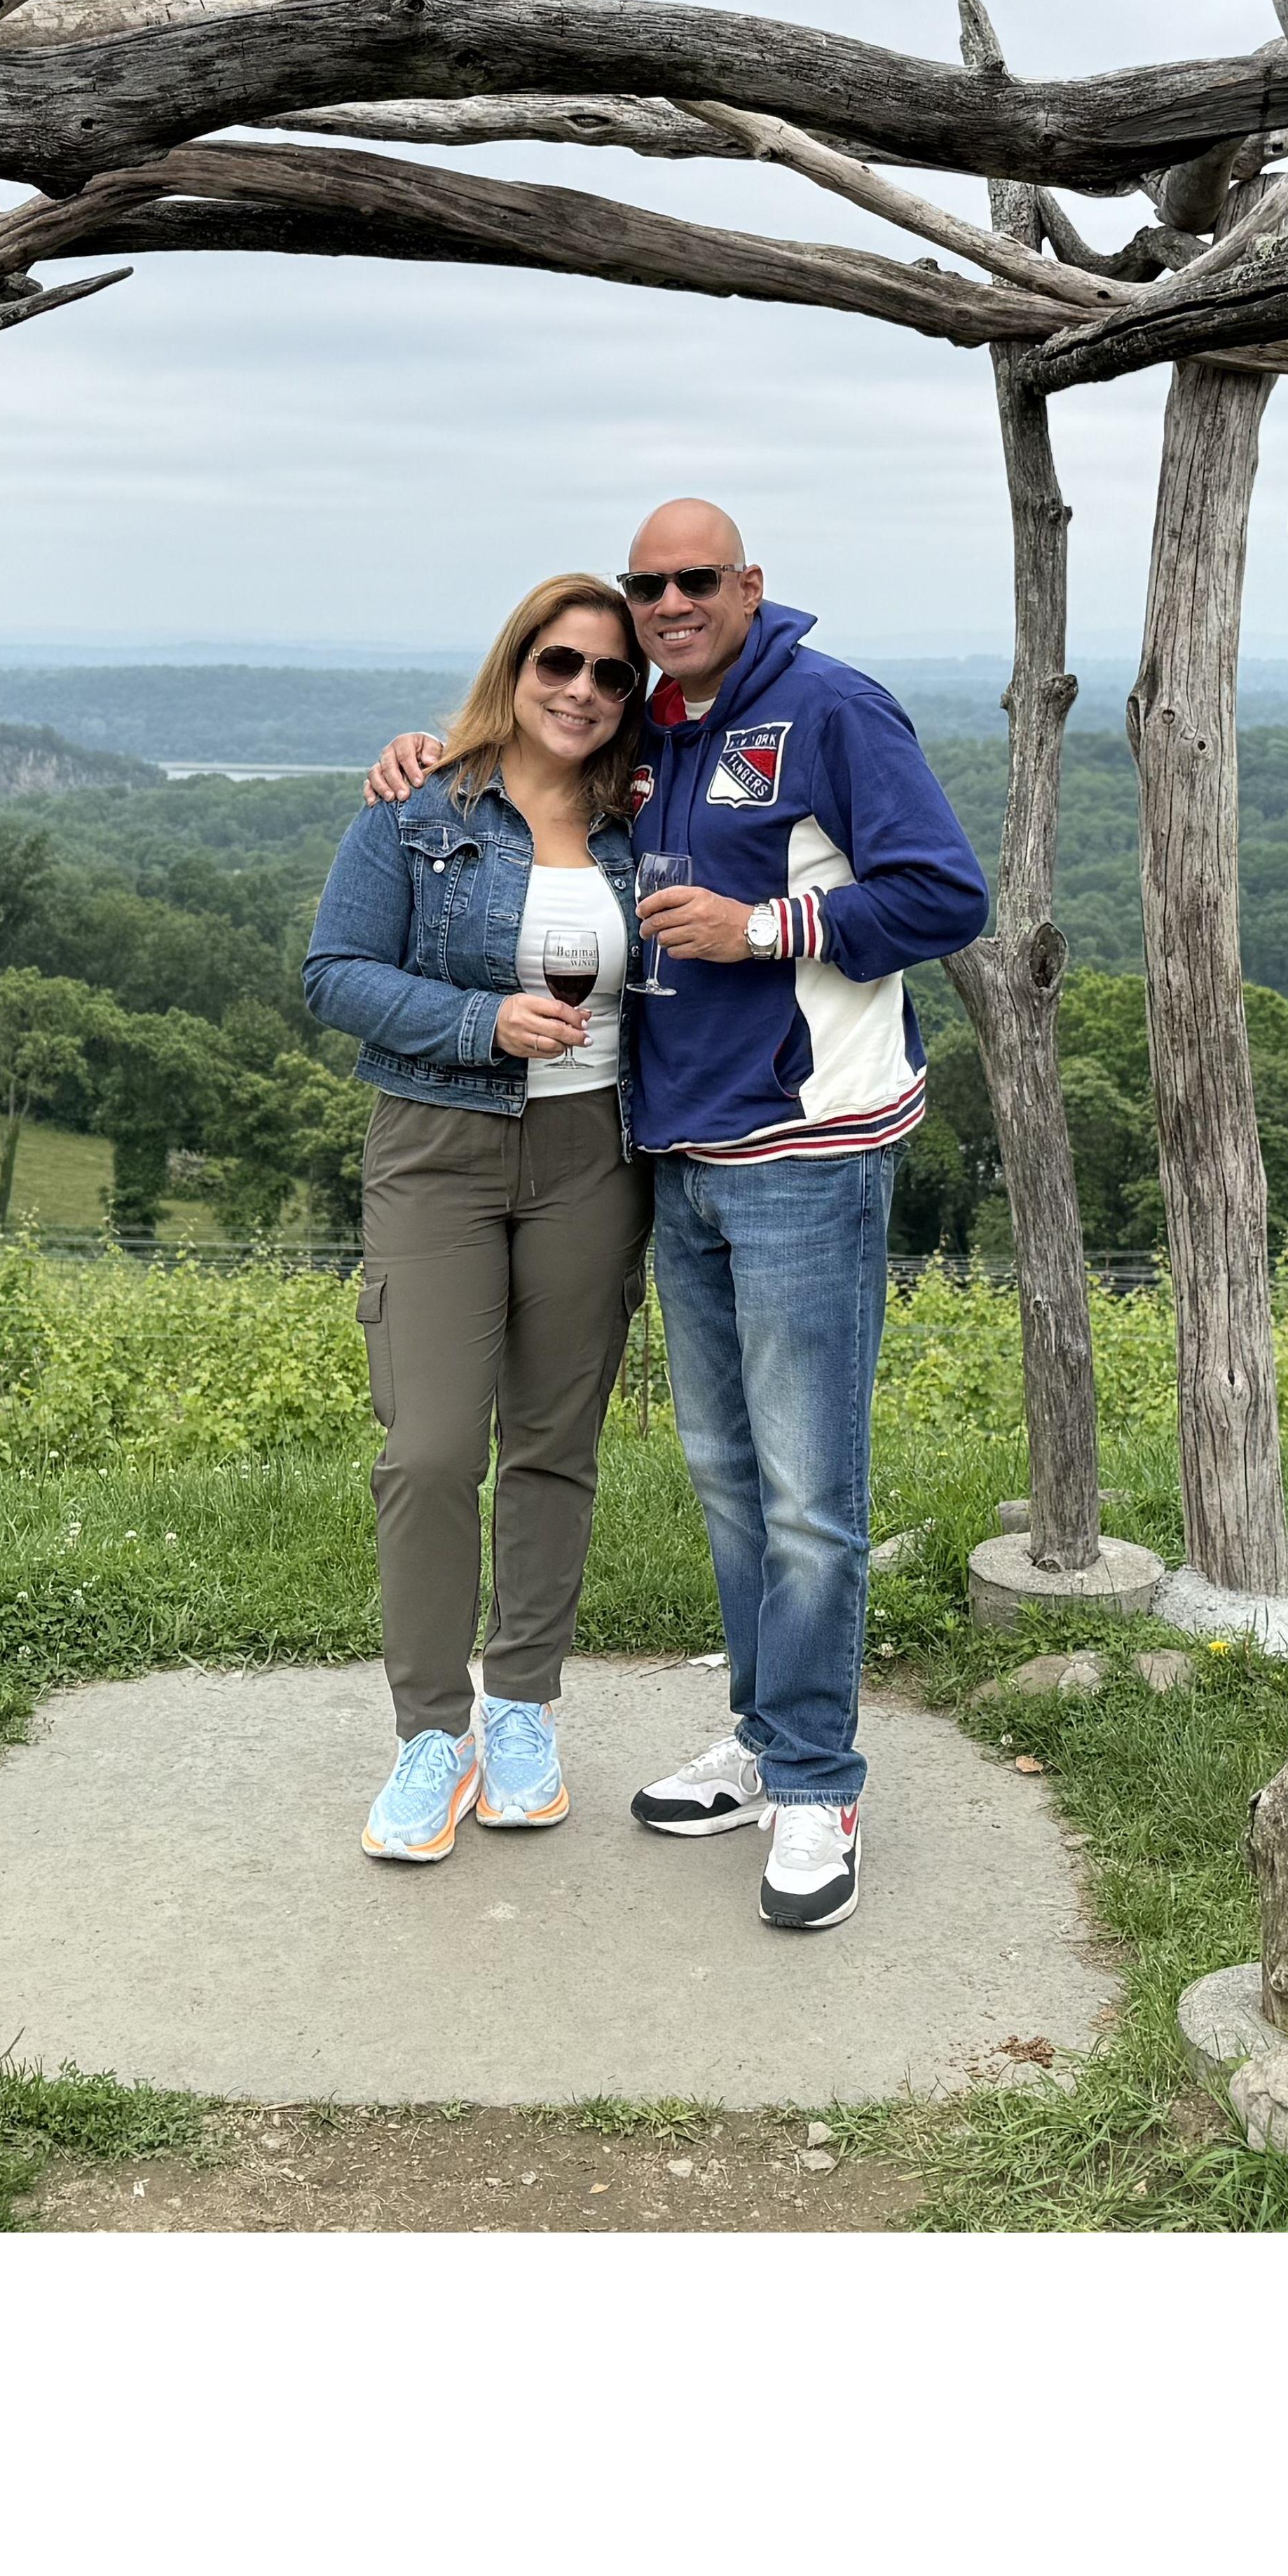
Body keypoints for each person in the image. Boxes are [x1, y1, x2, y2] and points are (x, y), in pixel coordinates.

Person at [366, 500, 987, 1933]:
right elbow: (524, 770)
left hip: (808, 1148)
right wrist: (420, 754)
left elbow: (946, 894)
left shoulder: (831, 709)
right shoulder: (658, 737)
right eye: (646, 584)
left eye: (693, 579)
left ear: (750, 583)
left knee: (813, 1500)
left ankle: (820, 1783)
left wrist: (770, 930)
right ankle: (771, 1745)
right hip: (679, 1160)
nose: (665, 602)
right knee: (727, 1480)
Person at [302, 573, 655, 1865]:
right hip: (439, 1148)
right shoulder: (418, 807)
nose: (583, 691)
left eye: (613, 676)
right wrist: (478, 1023)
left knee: (555, 1447)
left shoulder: (645, 817)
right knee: (434, 1450)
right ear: (518, 665)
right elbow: (332, 973)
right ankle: (429, 1733)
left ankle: (521, 1709)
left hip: (596, 1154)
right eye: (561, 663)